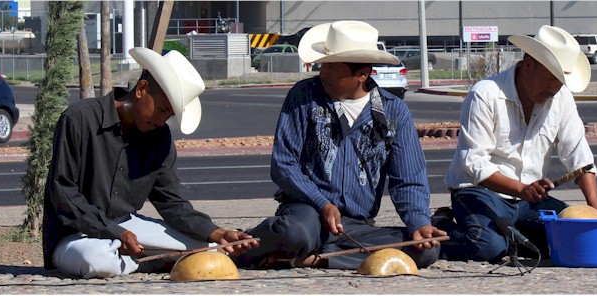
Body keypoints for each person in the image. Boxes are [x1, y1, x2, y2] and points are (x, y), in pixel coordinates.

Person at [234, 20, 446, 270]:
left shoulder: (393, 110)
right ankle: (256, 245)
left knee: (426, 251)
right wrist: (322, 203)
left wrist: (419, 223)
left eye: (332, 67)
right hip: (307, 213)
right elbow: (284, 165)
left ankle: (316, 258)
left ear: (362, 74)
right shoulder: (304, 97)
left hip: (356, 224)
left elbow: (408, 178)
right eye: (323, 65)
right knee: (294, 234)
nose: (323, 73)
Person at [42, 47, 258, 279]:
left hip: (127, 228)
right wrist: (114, 232)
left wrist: (216, 233)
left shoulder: (159, 137)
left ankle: (140, 259)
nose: (163, 120)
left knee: (209, 250)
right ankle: (152, 260)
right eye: (163, 109)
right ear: (142, 90)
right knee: (98, 262)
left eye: (170, 116)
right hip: (75, 235)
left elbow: (172, 203)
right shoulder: (80, 118)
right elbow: (64, 193)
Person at [433, 25, 597, 263]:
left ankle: (512, 238)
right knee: (486, 247)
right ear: (529, 64)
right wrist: (521, 189)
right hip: (479, 191)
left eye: (561, 81)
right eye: (551, 77)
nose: (555, 88)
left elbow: (578, 154)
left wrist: (595, 208)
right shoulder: (485, 94)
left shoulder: (561, 98)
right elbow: (473, 162)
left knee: (568, 238)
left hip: (528, 200)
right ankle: (442, 225)